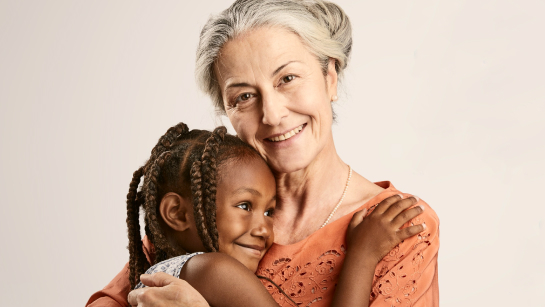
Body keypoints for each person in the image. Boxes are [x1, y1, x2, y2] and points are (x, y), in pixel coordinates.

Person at [87, 0, 440, 306]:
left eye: (287, 79)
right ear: (226, 112)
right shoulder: (206, 211)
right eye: (244, 96)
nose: (272, 115)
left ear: (330, 77)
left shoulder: (400, 225)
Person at [108, 121, 425, 307]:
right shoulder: (214, 269)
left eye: (270, 211)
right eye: (245, 206)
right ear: (177, 213)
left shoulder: (152, 280)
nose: (264, 229)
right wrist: (363, 255)